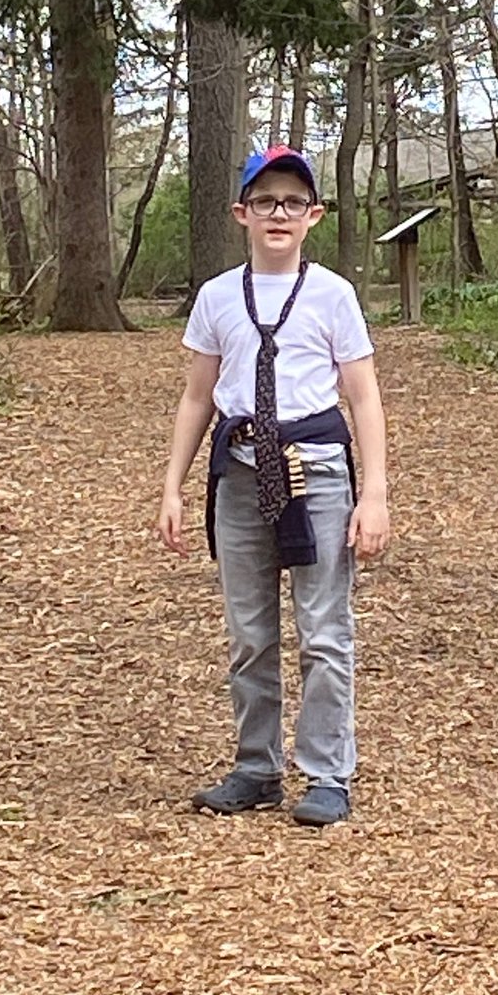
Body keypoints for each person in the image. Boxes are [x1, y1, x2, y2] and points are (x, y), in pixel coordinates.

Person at [158, 144, 390, 826]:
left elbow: (364, 398)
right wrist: (172, 485)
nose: (278, 214)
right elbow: (197, 397)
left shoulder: (333, 295)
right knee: (250, 632)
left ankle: (327, 774)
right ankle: (255, 766)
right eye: (265, 203)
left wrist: (372, 493)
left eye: (292, 202)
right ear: (242, 214)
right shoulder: (217, 297)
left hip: (316, 471)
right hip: (241, 472)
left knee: (324, 630)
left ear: (313, 215)